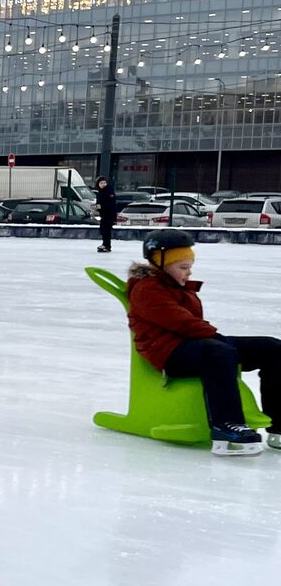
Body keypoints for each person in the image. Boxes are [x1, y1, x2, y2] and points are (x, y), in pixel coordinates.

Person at [127, 229, 281, 456]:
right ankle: (226, 426)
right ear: (159, 262)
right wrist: (216, 338)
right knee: (218, 352)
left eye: (190, 266)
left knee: (272, 348)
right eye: (182, 267)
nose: (188, 273)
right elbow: (181, 322)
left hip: (194, 343)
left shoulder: (174, 285)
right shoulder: (147, 288)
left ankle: (279, 427)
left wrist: (216, 339)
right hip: (167, 352)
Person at [95, 176, 118, 253]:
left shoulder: (109, 191)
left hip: (110, 214)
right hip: (103, 214)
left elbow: (111, 203)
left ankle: (107, 245)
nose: (103, 184)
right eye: (101, 183)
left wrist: (102, 206)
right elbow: (98, 203)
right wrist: (97, 207)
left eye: (104, 182)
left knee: (106, 230)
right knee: (103, 229)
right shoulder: (99, 193)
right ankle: (104, 244)